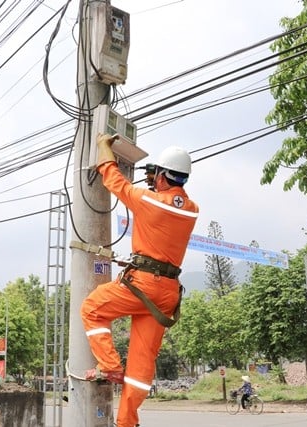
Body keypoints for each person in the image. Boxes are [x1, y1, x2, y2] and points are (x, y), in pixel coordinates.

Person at [81, 133, 199, 427]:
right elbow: (169, 203)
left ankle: (109, 365)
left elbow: (114, 181)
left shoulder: (149, 200)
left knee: (92, 309)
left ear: (161, 175)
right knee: (140, 367)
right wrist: (156, 183)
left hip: (143, 285)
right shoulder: (191, 209)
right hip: (167, 294)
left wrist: (103, 147)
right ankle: (126, 423)